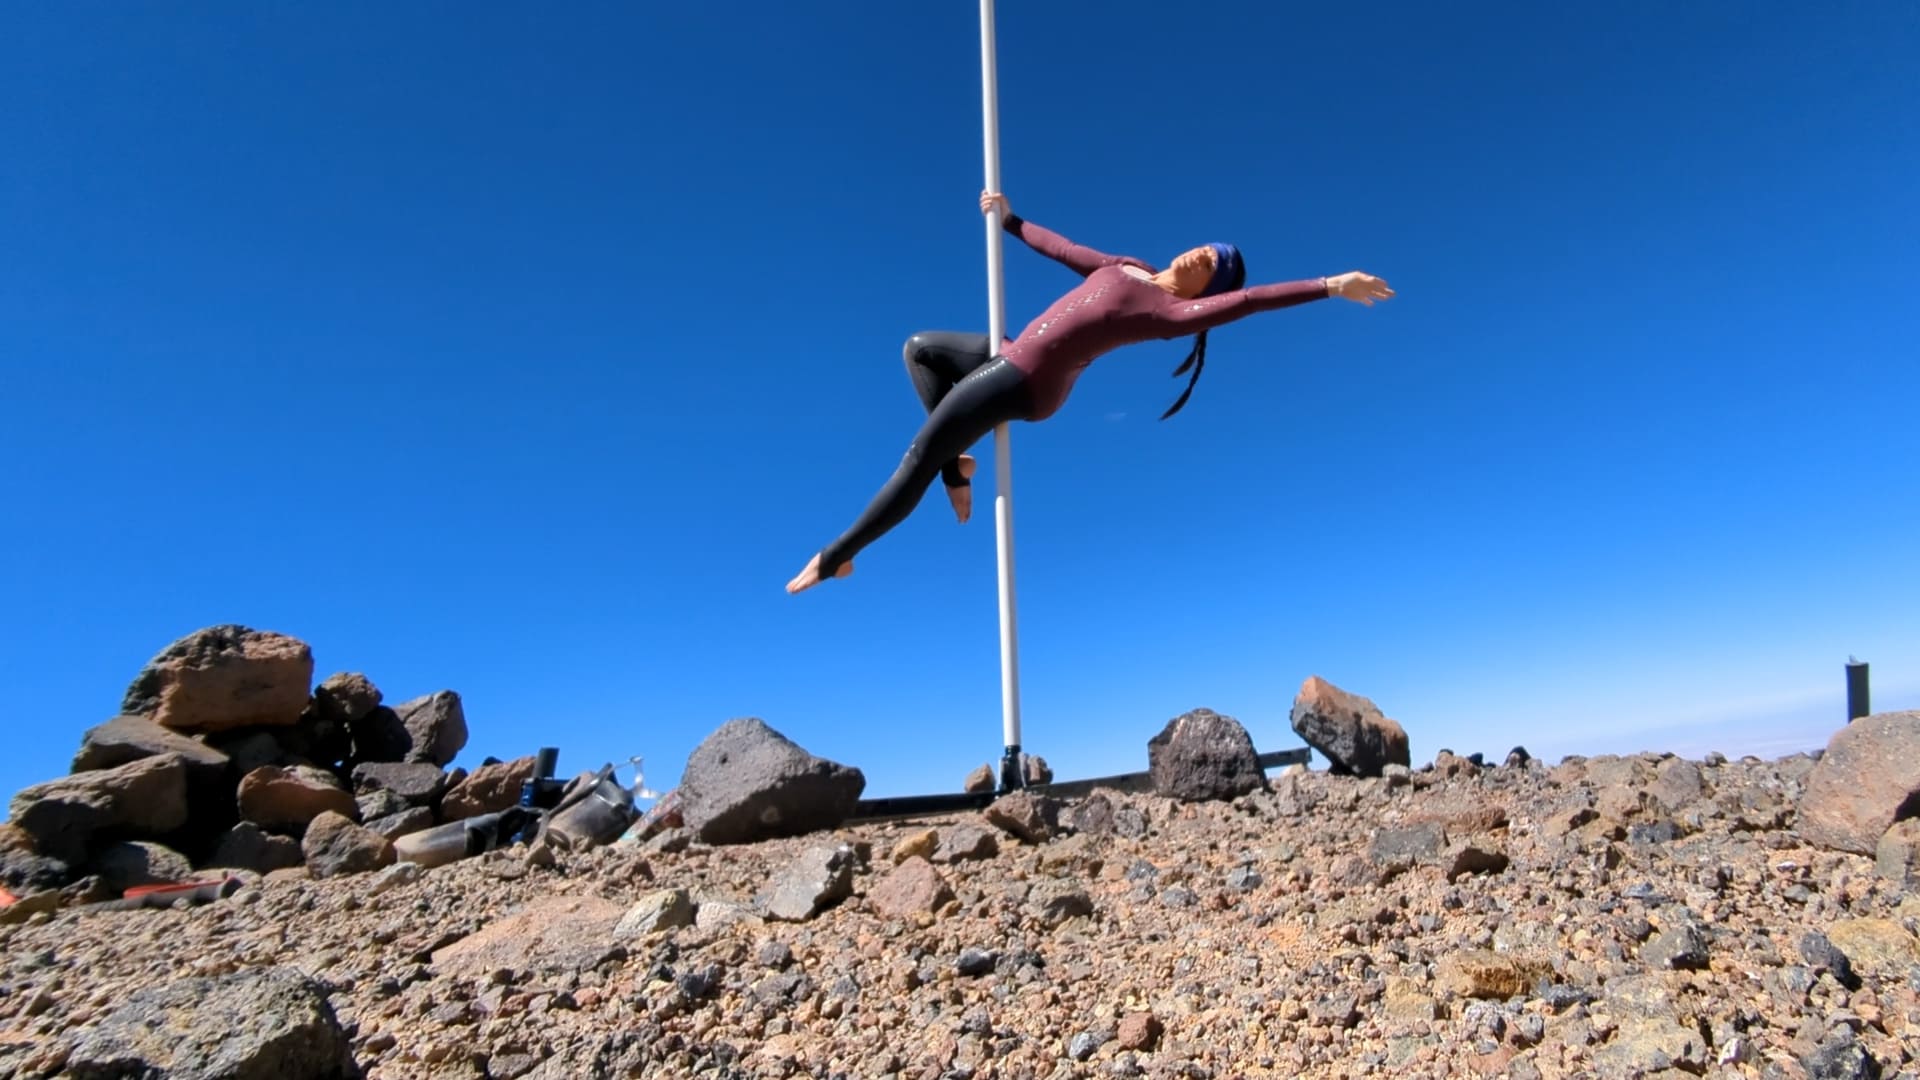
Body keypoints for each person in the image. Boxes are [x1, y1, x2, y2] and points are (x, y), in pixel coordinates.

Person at [785, 191, 1394, 594]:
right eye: (1209, 247)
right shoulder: (1128, 266)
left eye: (1213, 263)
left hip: (1031, 381)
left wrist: (1330, 284)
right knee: (919, 350)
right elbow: (1067, 250)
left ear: (1208, 290)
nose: (1202, 253)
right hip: (1012, 348)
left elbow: (1252, 301)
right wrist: (1011, 220)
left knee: (919, 453)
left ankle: (839, 554)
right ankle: (957, 469)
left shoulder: (1171, 314)